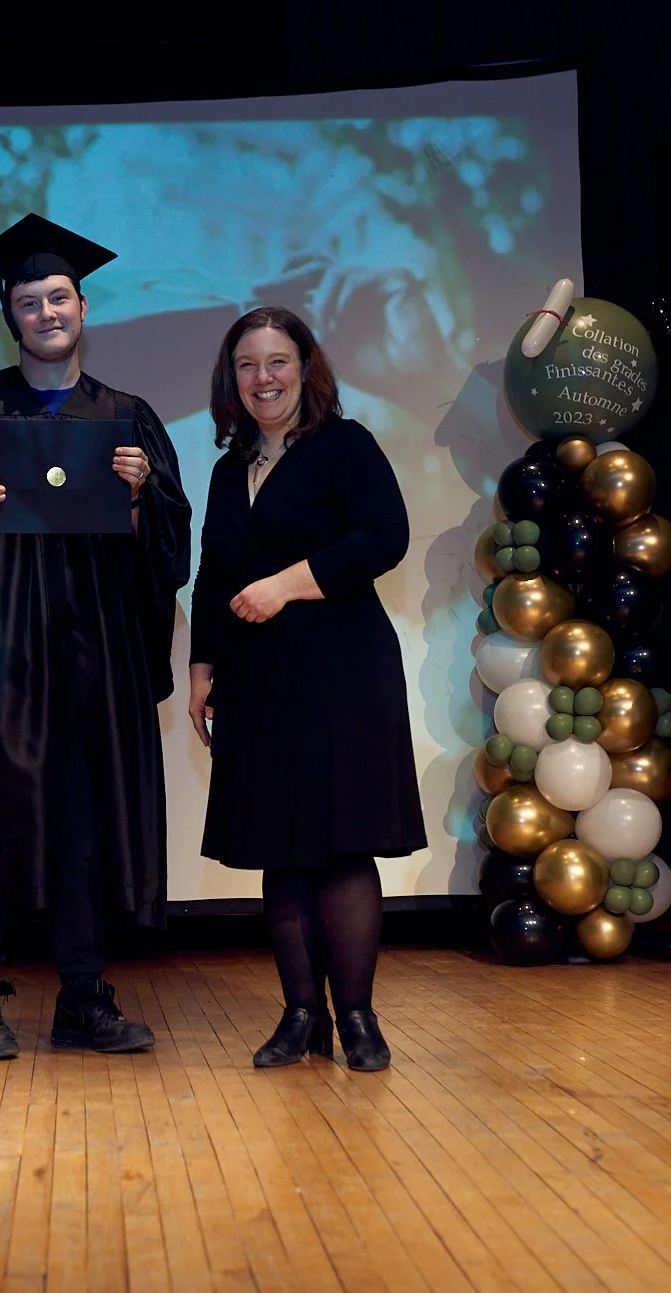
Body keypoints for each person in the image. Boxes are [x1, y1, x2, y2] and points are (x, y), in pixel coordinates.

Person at [0, 214, 193, 1059]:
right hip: (4, 653)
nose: (48, 312)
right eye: (29, 302)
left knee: (84, 819)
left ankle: (83, 995)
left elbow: (170, 550)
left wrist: (141, 502)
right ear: (10, 315)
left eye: (59, 296)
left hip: (96, 653)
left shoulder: (127, 419)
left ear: (83, 305)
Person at [186, 306, 426, 1071]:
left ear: (305, 368)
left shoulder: (345, 446)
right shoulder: (229, 469)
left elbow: (385, 536)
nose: (264, 378)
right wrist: (199, 669)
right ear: (233, 379)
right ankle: (300, 1017)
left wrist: (288, 585)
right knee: (279, 850)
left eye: (277, 361)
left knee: (343, 844)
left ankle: (357, 1018)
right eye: (248, 365)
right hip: (257, 678)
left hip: (344, 671)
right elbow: (215, 574)